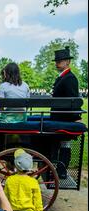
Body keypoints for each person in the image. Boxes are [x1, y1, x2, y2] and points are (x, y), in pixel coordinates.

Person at [50, 46, 81, 178]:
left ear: (67, 62)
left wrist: (76, 117)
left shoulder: (69, 78)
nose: (57, 63)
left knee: (64, 144)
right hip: (59, 117)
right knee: (61, 144)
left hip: (64, 118)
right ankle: (58, 169)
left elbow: (73, 100)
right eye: (57, 61)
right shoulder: (63, 77)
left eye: (60, 61)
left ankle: (62, 171)